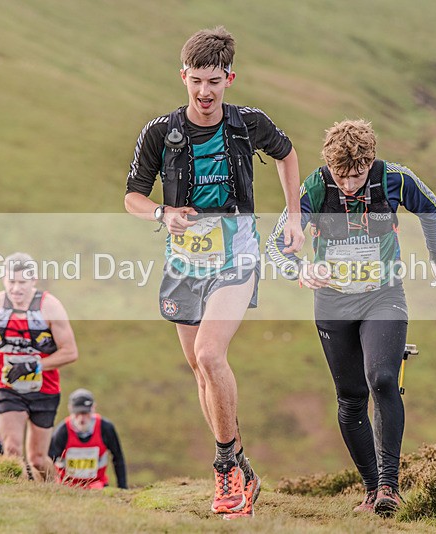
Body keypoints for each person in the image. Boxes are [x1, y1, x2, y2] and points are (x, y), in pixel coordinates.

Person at [124, 26, 304, 518]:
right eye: (196, 81)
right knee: (200, 369)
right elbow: (132, 198)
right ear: (183, 77)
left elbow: (287, 155)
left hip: (236, 256)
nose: (205, 92)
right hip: (184, 264)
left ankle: (225, 471)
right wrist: (162, 213)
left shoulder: (248, 124)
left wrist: (294, 216)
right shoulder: (160, 133)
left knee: (210, 352)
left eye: (214, 82)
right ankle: (243, 467)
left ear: (230, 78)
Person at [266, 119, 436, 516]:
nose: (349, 185)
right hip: (333, 303)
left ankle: (390, 486)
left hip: (383, 296)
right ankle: (372, 491)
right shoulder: (316, 188)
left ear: (370, 162)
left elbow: (431, 208)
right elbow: (275, 245)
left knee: (383, 379)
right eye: (342, 176)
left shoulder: (393, 179)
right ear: (329, 167)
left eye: (357, 175)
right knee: (351, 400)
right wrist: (299, 270)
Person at [0, 252, 78, 480]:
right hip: (8, 385)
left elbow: (70, 352)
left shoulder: (50, 306)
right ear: (3, 279)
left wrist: (33, 365)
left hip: (45, 389)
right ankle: (17, 499)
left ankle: (56, 492)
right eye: (11, 282)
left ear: (34, 280)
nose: (16, 288)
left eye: (22, 282)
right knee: (11, 449)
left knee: (37, 458)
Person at [49, 388, 127, 489]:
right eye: (77, 413)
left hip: (97, 486)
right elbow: (47, 459)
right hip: (67, 487)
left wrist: (122, 488)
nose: (81, 418)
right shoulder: (62, 431)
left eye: (85, 413)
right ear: (70, 409)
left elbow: (118, 457)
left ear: (93, 408)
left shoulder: (105, 428)